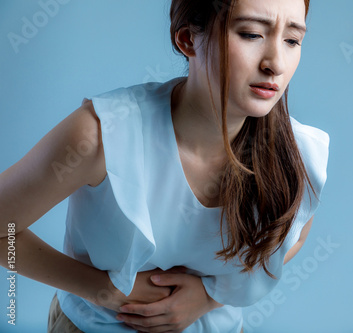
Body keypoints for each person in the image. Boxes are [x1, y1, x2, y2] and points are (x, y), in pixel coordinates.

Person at [0, 0, 329, 331]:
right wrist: (101, 289)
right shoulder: (101, 136)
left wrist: (208, 296)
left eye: (292, 40)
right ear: (187, 39)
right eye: (251, 34)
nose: (276, 64)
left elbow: (294, 237)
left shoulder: (297, 152)